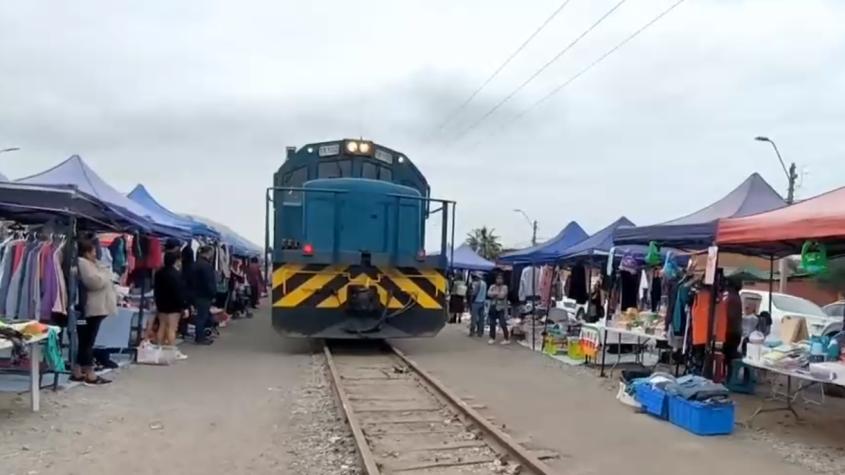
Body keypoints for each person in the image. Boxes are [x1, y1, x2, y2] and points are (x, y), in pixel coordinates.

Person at [73, 239, 117, 385]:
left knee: (85, 340)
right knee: (86, 340)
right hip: (88, 311)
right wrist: (106, 274)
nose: (95, 254)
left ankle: (78, 370)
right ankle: (89, 373)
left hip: (94, 310)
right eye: (93, 251)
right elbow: (94, 281)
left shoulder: (91, 263)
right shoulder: (82, 263)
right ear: (86, 252)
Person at [154, 251, 188, 347]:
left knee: (162, 326)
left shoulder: (158, 273)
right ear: (175, 261)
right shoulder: (176, 275)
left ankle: (159, 348)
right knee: (172, 328)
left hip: (161, 304)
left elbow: (156, 289)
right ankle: (172, 350)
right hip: (174, 306)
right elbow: (178, 292)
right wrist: (184, 306)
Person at [193, 245, 217, 345]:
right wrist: (213, 294)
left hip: (196, 293)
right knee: (202, 317)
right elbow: (209, 282)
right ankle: (200, 337)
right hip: (204, 295)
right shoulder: (206, 266)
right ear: (208, 253)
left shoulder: (195, 264)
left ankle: (201, 335)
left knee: (202, 316)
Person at [487, 273, 510, 344]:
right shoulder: (492, 286)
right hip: (493, 307)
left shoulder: (505, 287)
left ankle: (506, 338)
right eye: (498, 279)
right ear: (496, 279)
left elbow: (502, 296)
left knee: (503, 323)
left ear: (503, 280)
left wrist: (494, 294)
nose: (499, 280)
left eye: (500, 279)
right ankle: (492, 338)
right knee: (492, 323)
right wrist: (496, 293)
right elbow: (488, 294)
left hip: (501, 308)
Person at [469, 273, 487, 337]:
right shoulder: (485, 284)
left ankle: (472, 332)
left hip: (476, 302)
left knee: (474, 318)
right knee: (481, 318)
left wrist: (471, 300)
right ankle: (480, 332)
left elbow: (475, 293)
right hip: (482, 302)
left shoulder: (477, 284)